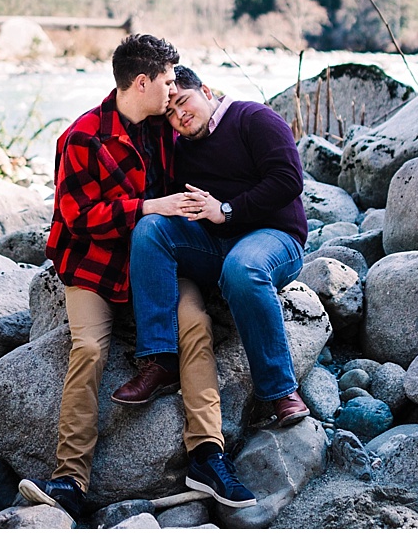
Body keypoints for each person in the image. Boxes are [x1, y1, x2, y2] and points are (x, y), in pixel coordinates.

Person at [18, 36, 257, 524]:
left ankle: (207, 456)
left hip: (156, 260)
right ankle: (69, 480)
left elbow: (207, 154)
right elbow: (77, 217)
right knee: (87, 348)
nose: (174, 91)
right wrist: (148, 208)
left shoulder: (164, 130)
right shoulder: (81, 137)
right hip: (92, 263)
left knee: (195, 325)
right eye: (168, 81)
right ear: (141, 83)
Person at [111, 64, 311, 432]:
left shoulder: (254, 118)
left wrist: (227, 210)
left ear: (205, 91)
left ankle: (280, 391)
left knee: (242, 268)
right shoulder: (180, 148)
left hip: (274, 236)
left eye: (184, 102)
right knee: (151, 228)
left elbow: (288, 180)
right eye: (169, 113)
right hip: (212, 244)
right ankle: (160, 360)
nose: (179, 116)